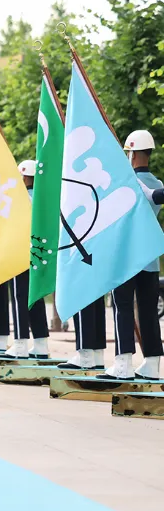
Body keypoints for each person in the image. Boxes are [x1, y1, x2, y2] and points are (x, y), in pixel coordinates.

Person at [99, 129, 163, 380]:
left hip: (125, 259)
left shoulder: (123, 182)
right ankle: (152, 364)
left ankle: (123, 364)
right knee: (148, 311)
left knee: (122, 308)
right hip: (150, 259)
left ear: (132, 154)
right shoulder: (157, 183)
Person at [0, 160, 50, 360]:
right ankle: (41, 343)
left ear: (26, 177)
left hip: (20, 255)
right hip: (37, 255)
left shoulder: (20, 201)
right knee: (36, 299)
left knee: (21, 298)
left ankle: (20, 343)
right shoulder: (42, 199)